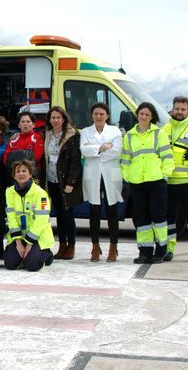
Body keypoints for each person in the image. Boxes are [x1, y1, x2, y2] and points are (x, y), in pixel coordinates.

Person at [121, 102, 174, 264]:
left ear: (152, 117)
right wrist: (128, 176)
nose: (143, 117)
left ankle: (160, 251)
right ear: (137, 115)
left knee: (158, 217)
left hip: (157, 182)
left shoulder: (159, 134)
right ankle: (144, 251)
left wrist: (164, 175)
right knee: (141, 218)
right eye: (141, 113)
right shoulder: (129, 135)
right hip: (137, 183)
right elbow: (125, 160)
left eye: (147, 114)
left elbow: (167, 158)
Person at [80, 103, 124, 262]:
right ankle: (95, 247)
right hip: (93, 173)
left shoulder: (115, 131)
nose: (98, 117)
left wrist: (95, 150)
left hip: (110, 173)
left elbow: (116, 151)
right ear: (92, 115)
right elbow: (83, 150)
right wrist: (102, 147)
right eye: (96, 114)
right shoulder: (85, 131)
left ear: (107, 116)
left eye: (102, 114)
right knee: (94, 210)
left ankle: (113, 246)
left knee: (112, 210)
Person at [163, 97, 188, 263]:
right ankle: (169, 250)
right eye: (177, 109)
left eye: (182, 109)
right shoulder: (163, 130)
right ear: (172, 110)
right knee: (168, 220)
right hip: (168, 183)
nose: (179, 112)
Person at [44, 106, 82, 261]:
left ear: (64, 119)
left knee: (68, 214)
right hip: (51, 179)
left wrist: (71, 182)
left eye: (58, 117)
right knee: (58, 215)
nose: (55, 120)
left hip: (65, 181)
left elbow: (75, 161)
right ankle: (62, 245)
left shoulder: (72, 135)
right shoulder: (47, 134)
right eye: (53, 117)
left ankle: (71, 245)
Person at [4, 160, 55, 271]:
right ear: (14, 175)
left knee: (32, 265)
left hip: (37, 237)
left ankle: (46, 253)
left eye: (24, 171)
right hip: (19, 236)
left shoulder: (40, 193)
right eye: (18, 171)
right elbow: (11, 218)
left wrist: (29, 244)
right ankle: (27, 255)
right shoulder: (9, 192)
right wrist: (18, 243)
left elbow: (41, 220)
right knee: (10, 264)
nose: (21, 174)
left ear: (30, 174)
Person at [4, 111, 44, 181]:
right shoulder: (13, 139)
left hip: (32, 178)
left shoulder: (38, 139)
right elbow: (6, 160)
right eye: (23, 122)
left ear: (34, 124)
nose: (25, 124)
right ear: (19, 125)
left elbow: (36, 159)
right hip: (15, 178)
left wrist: (15, 155)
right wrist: (27, 154)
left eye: (28, 121)